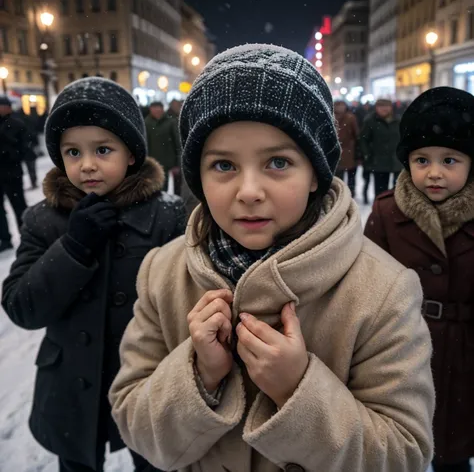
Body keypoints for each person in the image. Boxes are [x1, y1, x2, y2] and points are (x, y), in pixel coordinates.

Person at [108, 44, 435, 472]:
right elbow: (134, 425)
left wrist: (297, 390)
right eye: (223, 165)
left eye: (278, 162)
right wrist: (198, 375)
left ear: (316, 173)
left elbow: (403, 455)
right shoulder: (163, 274)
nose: (248, 191)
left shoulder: (383, 291)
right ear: (198, 177)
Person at [1, 77, 186, 472]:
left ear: (132, 154)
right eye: (72, 152)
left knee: (155, 462)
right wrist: (73, 246)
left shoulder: (168, 215)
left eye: (103, 149)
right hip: (70, 385)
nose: (86, 165)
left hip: (147, 381)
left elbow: (187, 297)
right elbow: (22, 307)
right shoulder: (44, 220)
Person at [364, 87, 474, 472]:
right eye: (421, 160)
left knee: (455, 451)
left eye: (450, 160)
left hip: (465, 356)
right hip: (403, 350)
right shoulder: (387, 213)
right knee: (397, 446)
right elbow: (366, 286)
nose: (434, 172)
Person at [0, 96, 29, 253]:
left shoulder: (17, 124)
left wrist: (9, 150)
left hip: (12, 173)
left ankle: (26, 237)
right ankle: (5, 239)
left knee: (19, 207)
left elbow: (24, 148)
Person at [359, 98, 402, 197]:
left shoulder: (398, 120)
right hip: (378, 161)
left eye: (387, 106)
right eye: (381, 106)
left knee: (398, 190)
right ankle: (380, 210)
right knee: (380, 190)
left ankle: (395, 210)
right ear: (376, 108)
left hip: (396, 160)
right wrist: (367, 153)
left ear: (391, 107)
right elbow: (363, 139)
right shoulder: (370, 121)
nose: (384, 109)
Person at [145, 101, 181, 194]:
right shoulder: (146, 123)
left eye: (159, 108)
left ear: (162, 109)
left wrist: (178, 163)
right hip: (152, 161)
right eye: (154, 109)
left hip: (168, 161)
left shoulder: (170, 122)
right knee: (153, 188)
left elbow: (177, 143)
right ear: (150, 110)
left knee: (167, 188)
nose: (157, 111)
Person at [334, 100, 359, 197]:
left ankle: (350, 193)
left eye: (342, 105)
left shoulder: (350, 117)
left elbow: (356, 134)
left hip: (349, 150)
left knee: (351, 175)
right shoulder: (331, 116)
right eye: (337, 105)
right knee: (338, 176)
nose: (340, 107)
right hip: (337, 150)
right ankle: (340, 194)